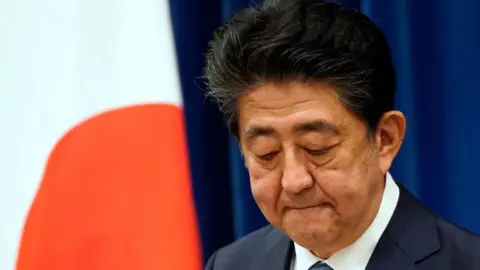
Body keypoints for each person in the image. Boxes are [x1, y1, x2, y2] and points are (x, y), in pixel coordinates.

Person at [202, 0, 480, 269]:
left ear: (385, 139)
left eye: (317, 148)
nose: (294, 181)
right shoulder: (230, 264)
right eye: (267, 153)